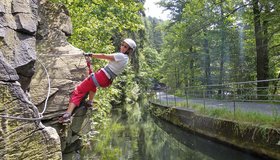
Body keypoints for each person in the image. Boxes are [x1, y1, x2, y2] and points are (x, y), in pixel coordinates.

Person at [59, 38, 136, 123]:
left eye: (125, 47)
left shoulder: (121, 56)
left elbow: (104, 56)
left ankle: (67, 115)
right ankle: (90, 102)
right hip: (106, 80)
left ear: (129, 50)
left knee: (79, 90)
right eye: (122, 45)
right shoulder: (126, 59)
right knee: (92, 84)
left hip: (102, 76)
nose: (122, 47)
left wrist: (90, 54)